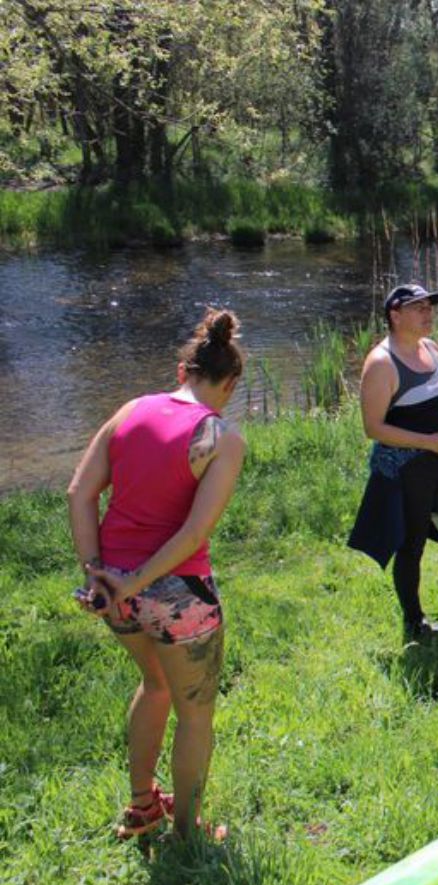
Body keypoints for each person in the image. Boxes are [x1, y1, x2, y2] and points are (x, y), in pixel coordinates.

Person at [67, 309, 247, 843]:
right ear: (232, 383)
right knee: (195, 715)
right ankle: (187, 836)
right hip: (175, 596)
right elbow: (193, 535)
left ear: (181, 371)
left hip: (112, 588)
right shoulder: (221, 437)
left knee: (154, 684)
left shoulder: (129, 411)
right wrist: (139, 580)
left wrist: (98, 575)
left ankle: (143, 806)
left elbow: (79, 493)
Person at [351, 284, 438, 643]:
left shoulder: (431, 348)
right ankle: (414, 622)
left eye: (429, 307)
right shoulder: (381, 362)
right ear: (395, 316)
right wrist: (429, 442)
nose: (428, 313)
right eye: (418, 308)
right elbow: (373, 428)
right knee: (411, 545)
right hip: (407, 468)